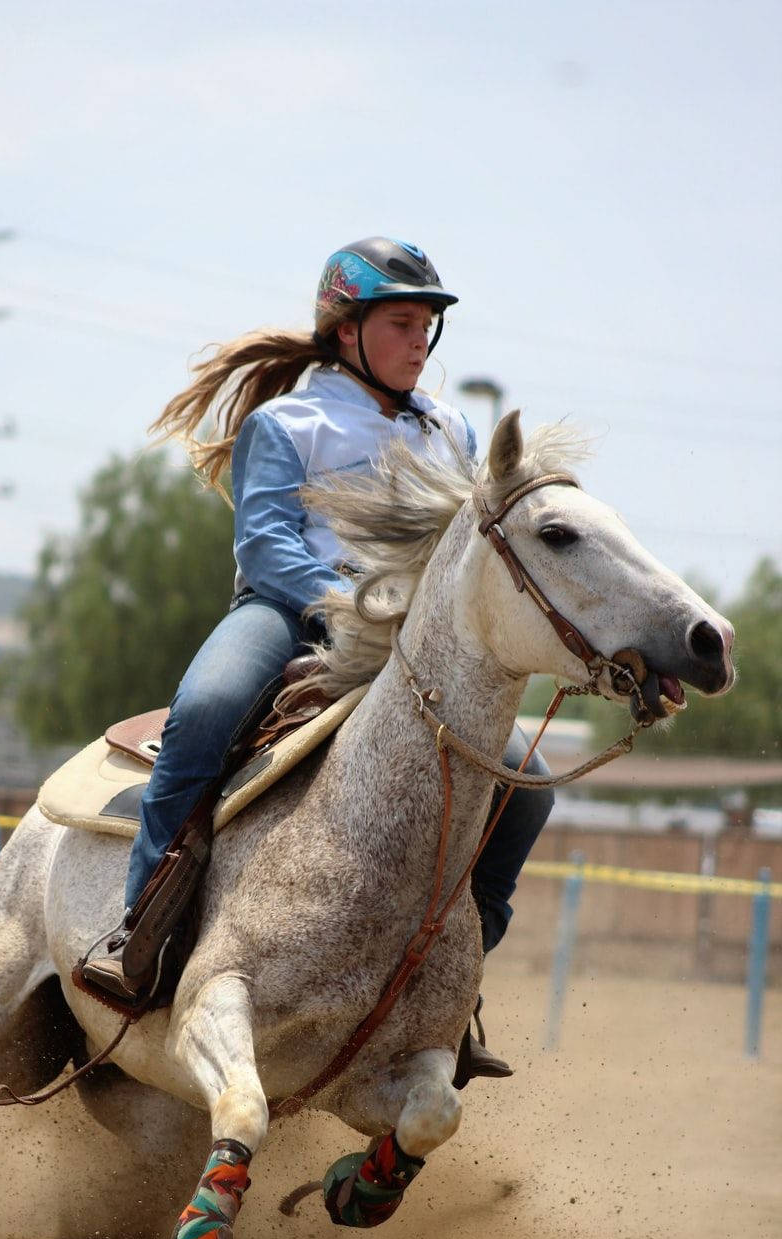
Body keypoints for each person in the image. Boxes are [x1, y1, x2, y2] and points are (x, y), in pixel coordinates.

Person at [78, 237, 553, 1082]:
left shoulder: (454, 429)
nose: (420, 341)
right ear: (347, 331)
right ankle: (138, 933)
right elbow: (266, 550)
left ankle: (453, 978)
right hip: (289, 618)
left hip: (414, 649)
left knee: (524, 783)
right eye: (402, 322)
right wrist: (359, 602)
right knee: (206, 711)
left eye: (427, 326)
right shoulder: (285, 422)